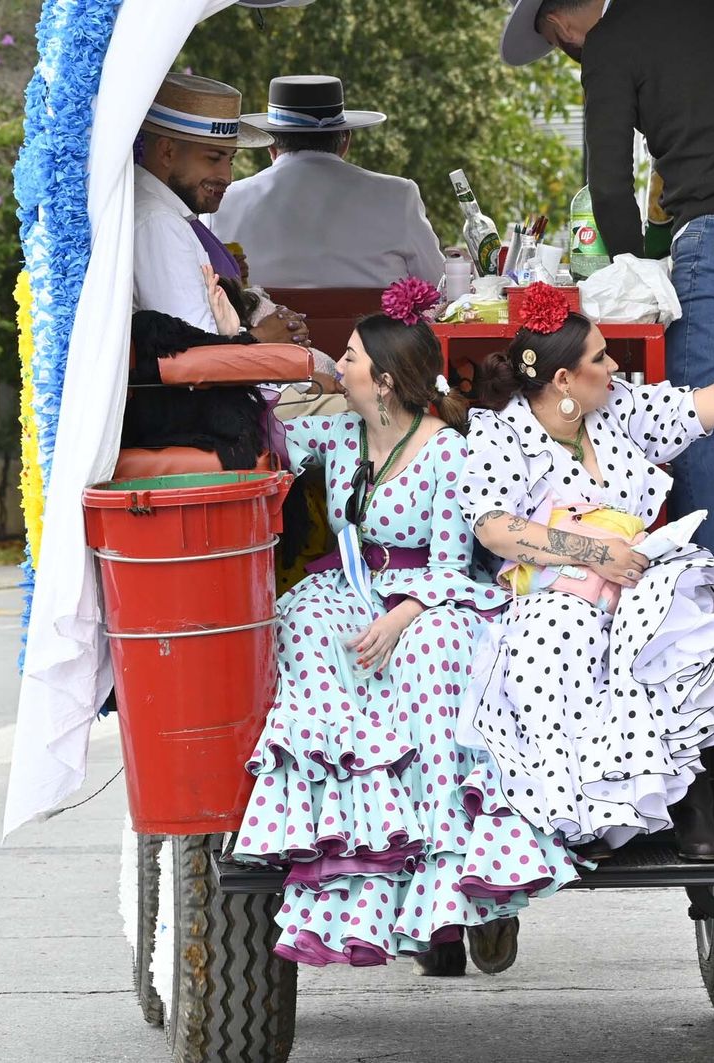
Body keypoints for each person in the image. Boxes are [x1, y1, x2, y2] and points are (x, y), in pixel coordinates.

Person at [229, 279, 578, 973]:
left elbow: (455, 564)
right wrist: (239, 339)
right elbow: (264, 426)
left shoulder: (449, 450)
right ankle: (356, 834)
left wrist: (403, 616)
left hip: (432, 593)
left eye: (351, 357)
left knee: (432, 653)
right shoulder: (336, 430)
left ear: (384, 381)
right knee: (302, 618)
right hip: (353, 582)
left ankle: (469, 892)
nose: (341, 363)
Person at [461, 283, 714, 861]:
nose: (614, 367)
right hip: (555, 584)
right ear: (563, 381)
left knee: (676, 612)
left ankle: (691, 798)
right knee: (561, 637)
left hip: (635, 573)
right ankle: (591, 809)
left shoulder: (618, 409)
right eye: (600, 358)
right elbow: (494, 529)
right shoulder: (500, 433)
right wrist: (590, 553)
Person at [500, 0, 714, 559]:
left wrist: (635, 271)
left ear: (559, 27)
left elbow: (606, 184)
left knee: (691, 422)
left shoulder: (607, 42)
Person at [212, 75, 447, 290]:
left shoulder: (222, 201)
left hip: (266, 336)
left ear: (270, 146)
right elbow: (439, 286)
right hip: (371, 337)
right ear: (345, 141)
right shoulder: (399, 195)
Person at [134, 71, 306, 345]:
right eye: (214, 158)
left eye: (230, 160)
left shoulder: (157, 212)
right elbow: (192, 356)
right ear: (167, 152)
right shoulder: (159, 222)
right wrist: (261, 339)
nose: (227, 177)